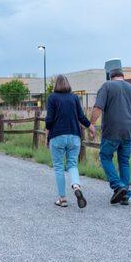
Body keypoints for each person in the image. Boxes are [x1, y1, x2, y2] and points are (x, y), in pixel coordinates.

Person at [89, 67, 131, 205]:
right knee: (124, 162)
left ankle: (117, 186)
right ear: (122, 76)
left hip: (111, 131)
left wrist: (91, 123)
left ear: (111, 76)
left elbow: (98, 108)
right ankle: (125, 195)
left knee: (105, 157)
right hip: (129, 132)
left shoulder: (107, 86)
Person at [45, 74, 91, 208]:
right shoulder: (74, 97)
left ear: (56, 85)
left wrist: (47, 133)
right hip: (74, 135)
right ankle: (76, 186)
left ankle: (62, 198)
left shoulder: (52, 98)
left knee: (59, 167)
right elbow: (81, 116)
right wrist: (90, 126)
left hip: (57, 136)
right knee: (72, 165)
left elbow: (49, 119)